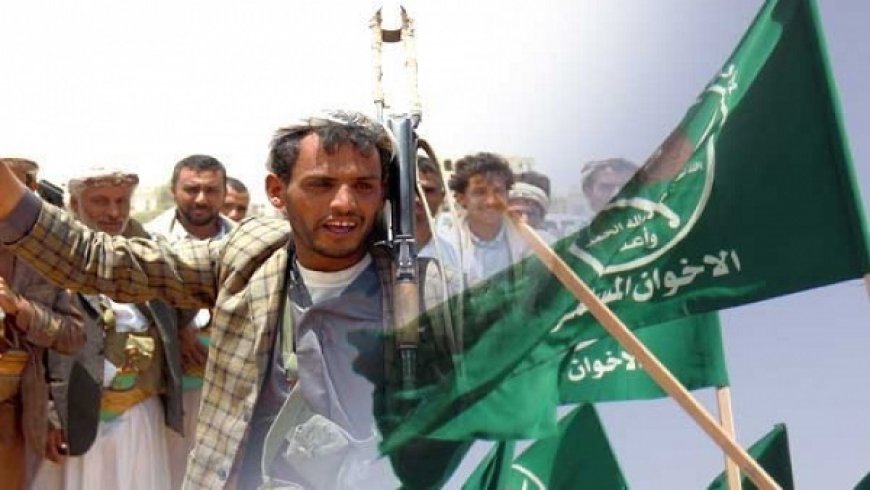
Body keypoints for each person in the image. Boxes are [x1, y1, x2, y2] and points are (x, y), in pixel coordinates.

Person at [0, 110, 463, 489]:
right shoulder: (249, 259)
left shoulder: (427, 292)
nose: (344, 203)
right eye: (321, 185)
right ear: (277, 192)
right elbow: (100, 261)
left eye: (363, 185)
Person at [32, 166, 193, 490]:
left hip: (140, 413)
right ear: (74, 204)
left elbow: (184, 305)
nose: (114, 212)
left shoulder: (150, 254)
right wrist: (49, 415)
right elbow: (41, 345)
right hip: (78, 415)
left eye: (121, 201)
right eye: (100, 201)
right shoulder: (52, 260)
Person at [145, 154, 235, 489]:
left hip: (228, 381)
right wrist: (175, 330)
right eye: (191, 189)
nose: (201, 199)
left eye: (211, 190)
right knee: (170, 471)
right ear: (173, 190)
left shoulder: (241, 240)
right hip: (170, 383)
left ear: (224, 193)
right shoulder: (150, 239)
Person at [0, 157, 85, 490]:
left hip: (13, 418)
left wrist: (21, 309)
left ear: (30, 188)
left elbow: (73, 335)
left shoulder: (51, 254)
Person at [447, 152, 529, 286]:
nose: (491, 201)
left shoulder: (528, 244)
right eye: (480, 192)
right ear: (461, 198)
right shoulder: (445, 248)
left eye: (498, 191)